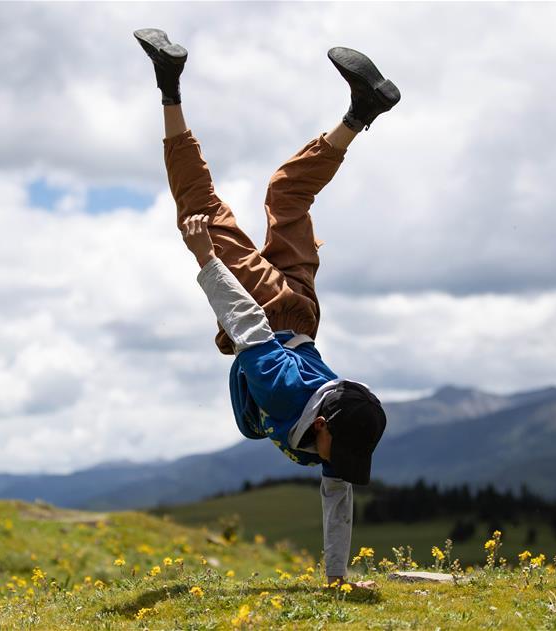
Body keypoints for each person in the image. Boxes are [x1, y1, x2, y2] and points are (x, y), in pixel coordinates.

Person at [134, 28, 399, 589]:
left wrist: (336, 577)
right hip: (272, 314)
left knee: (287, 194)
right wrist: (206, 260)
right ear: (323, 425)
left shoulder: (338, 429)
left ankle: (361, 112)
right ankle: (169, 83)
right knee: (199, 208)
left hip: (304, 313)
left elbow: (338, 500)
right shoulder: (285, 394)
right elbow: (249, 328)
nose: (338, 466)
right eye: (340, 453)